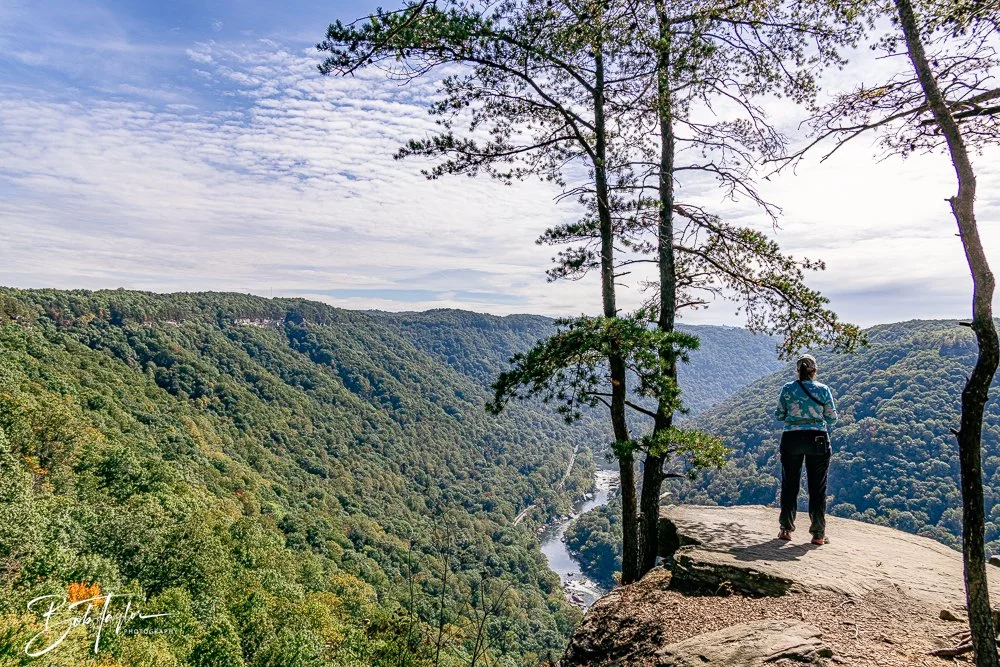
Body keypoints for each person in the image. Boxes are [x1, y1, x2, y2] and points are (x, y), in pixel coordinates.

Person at [773, 354, 838, 545]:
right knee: (817, 488)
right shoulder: (823, 390)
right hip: (817, 439)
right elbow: (832, 418)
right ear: (814, 370)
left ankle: (786, 530)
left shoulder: (787, 389)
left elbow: (779, 415)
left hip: (791, 438)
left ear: (797, 370)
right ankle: (818, 534)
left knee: (789, 485)